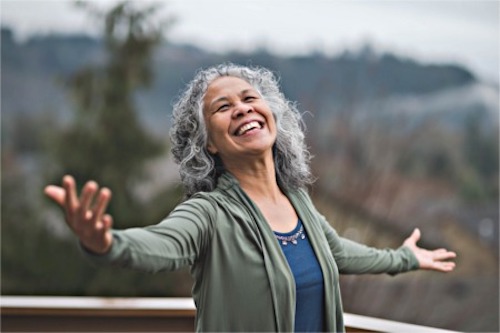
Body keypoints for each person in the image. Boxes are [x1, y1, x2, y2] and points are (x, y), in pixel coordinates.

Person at [45, 63, 456, 332]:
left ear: (271, 114)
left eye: (249, 98)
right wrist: (106, 243)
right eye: (223, 107)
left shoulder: (298, 200)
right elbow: (161, 245)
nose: (242, 109)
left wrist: (404, 257)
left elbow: (337, 252)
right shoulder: (208, 214)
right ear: (208, 145)